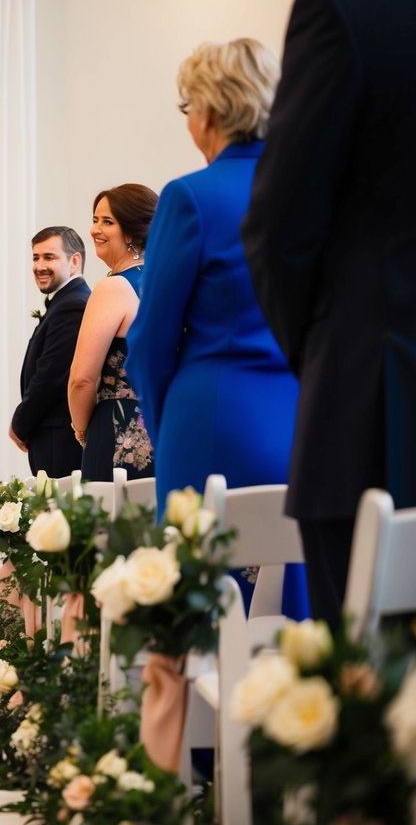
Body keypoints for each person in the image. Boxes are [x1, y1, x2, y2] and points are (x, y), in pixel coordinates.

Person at [242, 0, 416, 628]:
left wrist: (323, 351)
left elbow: (281, 227)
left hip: (381, 402)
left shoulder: (350, 9)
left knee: (367, 683)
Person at [127, 39, 308, 619]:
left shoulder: (191, 197)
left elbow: (150, 342)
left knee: (197, 608)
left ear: (208, 110)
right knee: (291, 589)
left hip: (209, 419)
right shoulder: (312, 192)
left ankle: (204, 709)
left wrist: (165, 422)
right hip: (299, 421)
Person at [68, 184, 158, 482]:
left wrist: (82, 431)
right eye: (95, 220)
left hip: (119, 432)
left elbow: (82, 379)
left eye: (107, 222)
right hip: (163, 430)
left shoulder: (113, 287)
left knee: (111, 526)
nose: (95, 230)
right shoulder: (165, 285)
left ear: (131, 232)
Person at [9, 226, 91, 478]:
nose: (39, 266)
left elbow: (51, 375)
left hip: (60, 438)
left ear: (74, 261)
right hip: (53, 435)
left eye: (49, 257)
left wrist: (19, 424)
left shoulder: (73, 306)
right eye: (35, 257)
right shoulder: (65, 302)